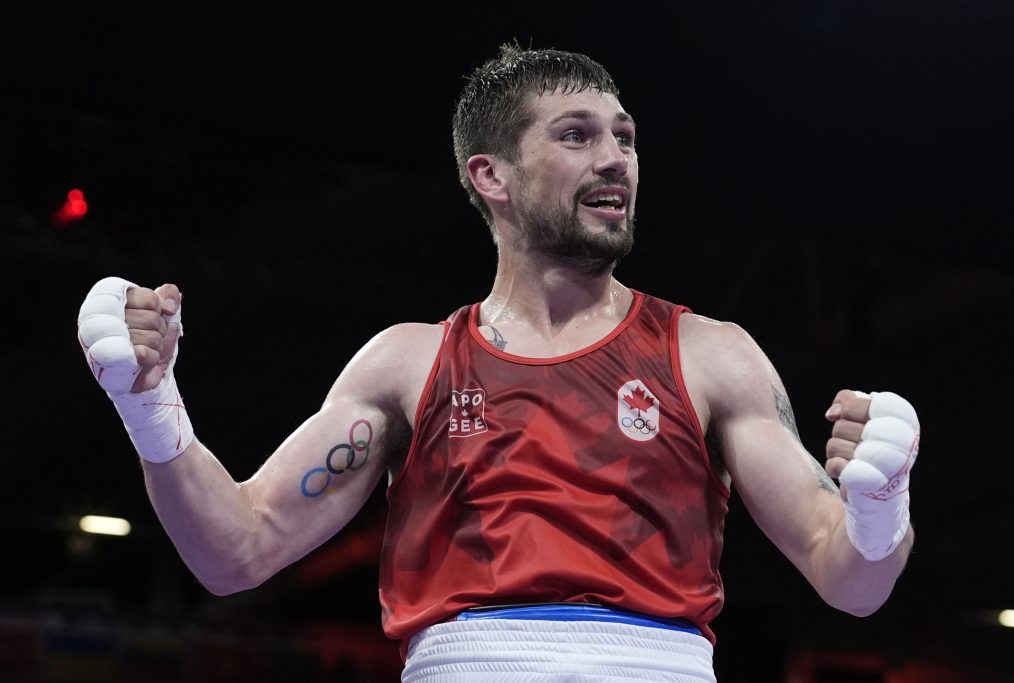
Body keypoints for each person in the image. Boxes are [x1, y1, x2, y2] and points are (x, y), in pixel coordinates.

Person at [76, 45, 919, 682]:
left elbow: (849, 580)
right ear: (492, 176)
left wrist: (879, 506)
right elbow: (237, 550)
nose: (616, 159)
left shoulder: (711, 355)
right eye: (578, 135)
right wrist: (152, 404)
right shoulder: (410, 363)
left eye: (624, 137)